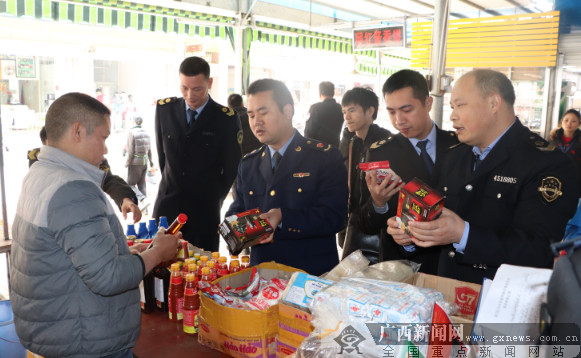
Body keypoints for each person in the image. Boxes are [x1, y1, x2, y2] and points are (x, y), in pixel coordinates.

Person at [10, 92, 181, 358]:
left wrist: (123, 254)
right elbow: (108, 277)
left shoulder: (39, 174)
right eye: (103, 137)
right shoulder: (72, 188)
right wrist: (157, 252)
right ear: (77, 132)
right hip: (84, 341)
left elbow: (65, 254)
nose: (105, 149)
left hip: (57, 329)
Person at [387, 69, 579, 284]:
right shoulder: (455, 156)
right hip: (447, 293)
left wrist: (463, 235)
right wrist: (411, 235)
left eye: (460, 105)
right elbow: (439, 223)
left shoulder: (547, 164)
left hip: (500, 301)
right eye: (452, 107)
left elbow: (539, 250)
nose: (452, 115)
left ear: (493, 103)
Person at [226, 79, 348, 276]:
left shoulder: (324, 157)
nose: (256, 121)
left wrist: (283, 218)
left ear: (288, 111)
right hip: (263, 277)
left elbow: (335, 217)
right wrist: (232, 229)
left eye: (264, 113)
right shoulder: (248, 164)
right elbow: (237, 210)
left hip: (310, 277)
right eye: (251, 115)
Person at [359, 69, 458, 274]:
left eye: (406, 110)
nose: (398, 121)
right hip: (403, 266)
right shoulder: (380, 152)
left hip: (450, 263)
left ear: (428, 104)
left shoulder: (458, 145)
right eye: (392, 111)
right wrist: (378, 203)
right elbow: (366, 223)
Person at [153, 56, 242, 251]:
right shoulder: (164, 109)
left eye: (197, 89)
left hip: (204, 211)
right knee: (162, 271)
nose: (190, 95)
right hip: (168, 207)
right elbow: (162, 158)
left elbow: (230, 169)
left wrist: (212, 198)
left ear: (209, 83)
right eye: (184, 88)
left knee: (202, 271)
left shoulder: (225, 118)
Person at [28, 126, 143, 223]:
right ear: (47, 144)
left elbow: (108, 180)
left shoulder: (85, 157)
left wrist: (125, 199)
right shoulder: (39, 163)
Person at [338, 87, 392, 263]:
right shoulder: (351, 142)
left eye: (352, 110)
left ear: (370, 111)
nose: (347, 116)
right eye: (344, 111)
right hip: (354, 223)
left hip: (380, 227)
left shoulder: (386, 141)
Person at [549, 108, 581, 195]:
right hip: (554, 181)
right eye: (566, 120)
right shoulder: (552, 139)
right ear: (562, 121)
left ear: (579, 124)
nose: (569, 123)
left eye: (573, 121)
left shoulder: (579, 141)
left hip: (574, 183)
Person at [304, 81, 344, 147]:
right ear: (333, 93)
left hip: (318, 150)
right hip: (335, 149)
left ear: (320, 94)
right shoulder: (340, 108)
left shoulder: (315, 108)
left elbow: (309, 132)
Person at [126, 116, 154, 207]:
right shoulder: (146, 133)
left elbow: (130, 151)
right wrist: (151, 162)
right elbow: (149, 150)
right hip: (144, 161)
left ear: (134, 122)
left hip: (135, 162)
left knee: (130, 184)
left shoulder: (131, 132)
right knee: (142, 185)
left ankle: (142, 199)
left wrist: (127, 163)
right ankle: (145, 207)